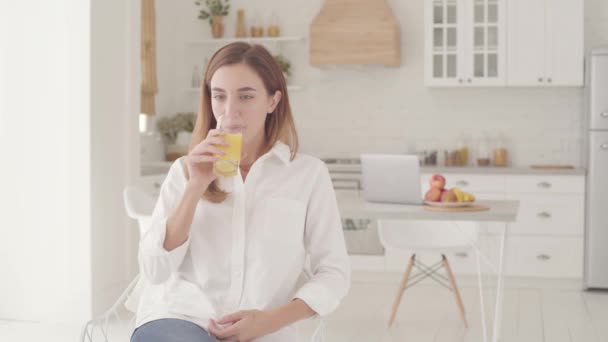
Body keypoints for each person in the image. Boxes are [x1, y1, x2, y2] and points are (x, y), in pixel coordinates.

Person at [130, 42, 351, 342]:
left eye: (246, 96)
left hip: (264, 330)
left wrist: (269, 321)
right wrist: (196, 186)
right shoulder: (185, 170)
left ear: (273, 101)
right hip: (181, 317)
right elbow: (154, 270)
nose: (230, 111)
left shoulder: (308, 175)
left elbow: (334, 273)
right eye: (219, 96)